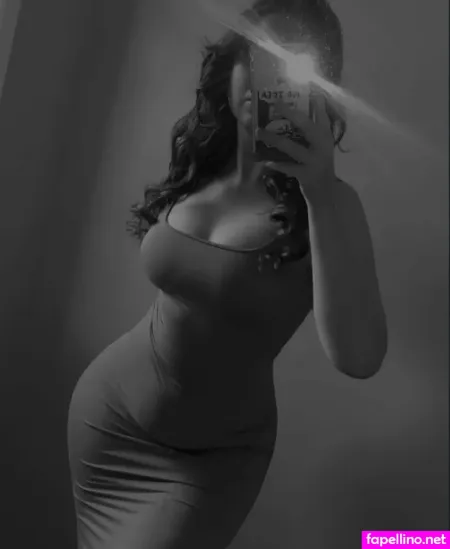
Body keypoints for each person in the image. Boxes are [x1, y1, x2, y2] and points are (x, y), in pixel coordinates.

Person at [67, 0, 388, 547]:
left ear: (315, 89)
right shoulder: (200, 168)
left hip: (207, 460)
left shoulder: (330, 203)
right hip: (107, 421)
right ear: (233, 66)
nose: (264, 79)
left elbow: (359, 358)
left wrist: (318, 190)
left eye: (287, 66)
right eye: (257, 55)